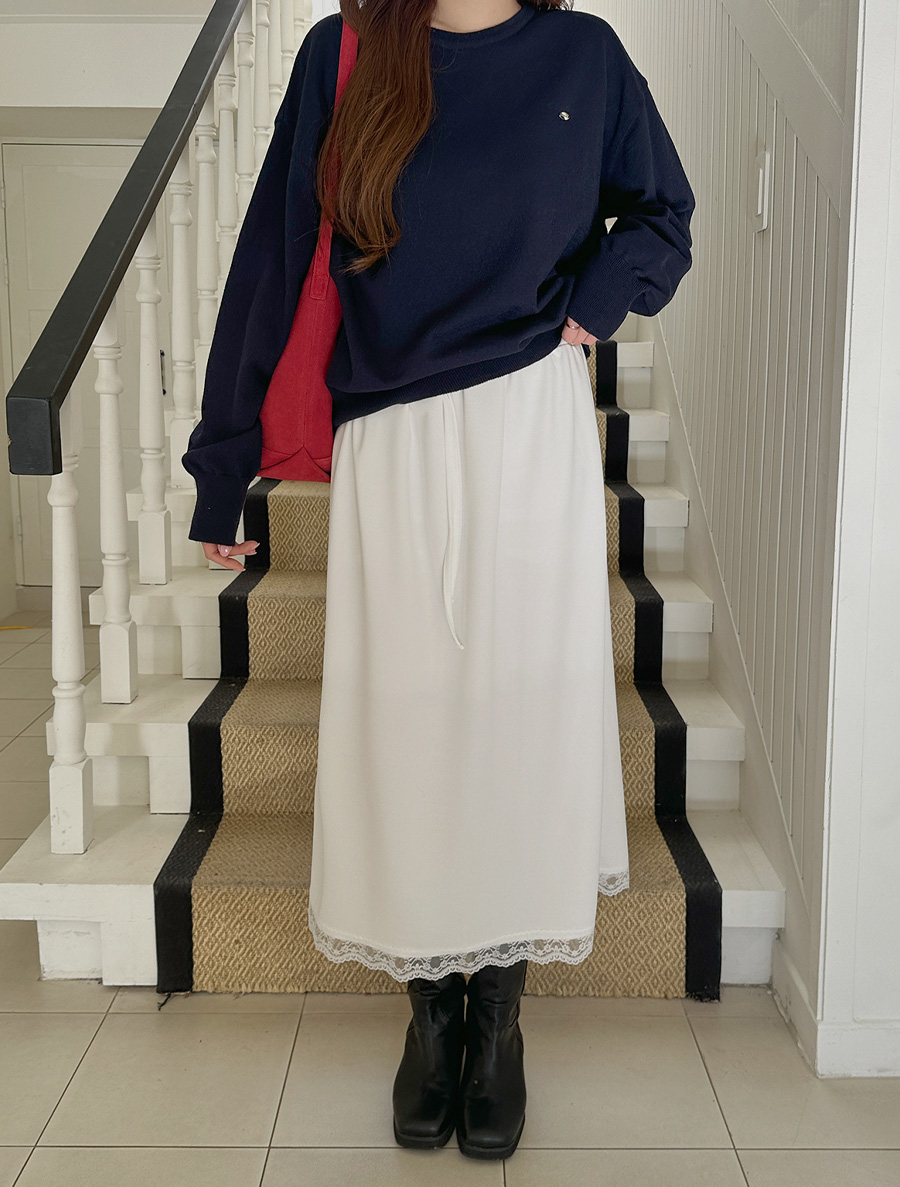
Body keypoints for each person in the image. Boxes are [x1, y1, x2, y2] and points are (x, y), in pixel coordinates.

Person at [182, 0, 694, 1161]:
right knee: (406, 727)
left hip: (531, 419)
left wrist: (595, 304)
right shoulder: (346, 52)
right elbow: (274, 254)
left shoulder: (584, 56)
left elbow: (664, 211)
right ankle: (432, 1016)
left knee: (520, 721)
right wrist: (223, 464)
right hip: (392, 434)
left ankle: (497, 1022)